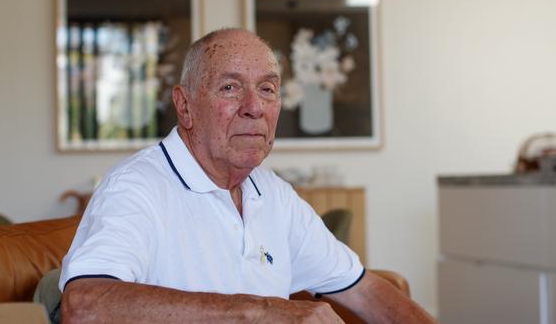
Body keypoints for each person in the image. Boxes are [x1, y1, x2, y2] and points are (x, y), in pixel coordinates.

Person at [59, 28, 436, 323]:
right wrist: (260, 313)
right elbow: (86, 306)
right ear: (185, 106)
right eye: (230, 87)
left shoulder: (274, 194)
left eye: (267, 89)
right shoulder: (137, 186)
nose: (254, 107)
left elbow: (366, 292)